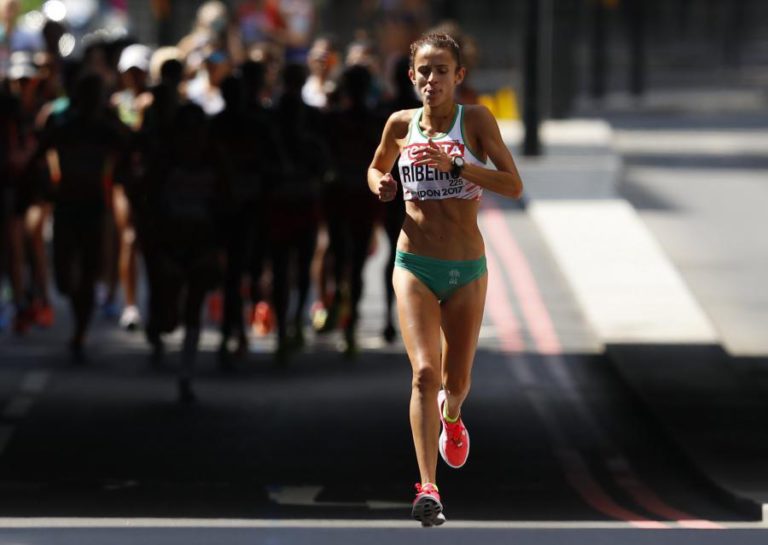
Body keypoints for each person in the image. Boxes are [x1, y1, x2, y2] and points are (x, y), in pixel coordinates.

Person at [366, 32, 523, 526]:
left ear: (459, 76)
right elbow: (374, 167)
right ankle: (428, 487)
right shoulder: (399, 125)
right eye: (423, 71)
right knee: (423, 375)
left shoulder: (474, 121)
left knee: (455, 384)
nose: (431, 80)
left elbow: (514, 184)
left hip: (466, 269)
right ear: (411, 77)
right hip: (414, 263)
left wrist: (459, 165)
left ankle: (452, 418)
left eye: (441, 71)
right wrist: (383, 185)